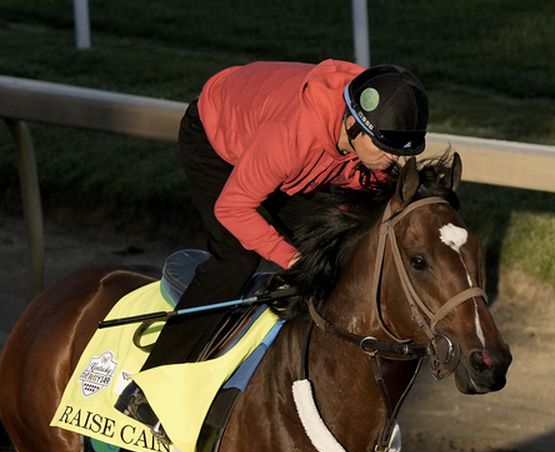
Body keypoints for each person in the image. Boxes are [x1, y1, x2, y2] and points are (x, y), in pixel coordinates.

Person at [118, 59, 429, 426]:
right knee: (236, 259)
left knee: (336, 242)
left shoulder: (368, 126)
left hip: (286, 158)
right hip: (217, 140)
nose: (393, 160)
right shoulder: (293, 134)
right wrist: (294, 262)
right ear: (352, 124)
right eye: (385, 147)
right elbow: (233, 209)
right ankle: (149, 388)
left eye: (401, 151)